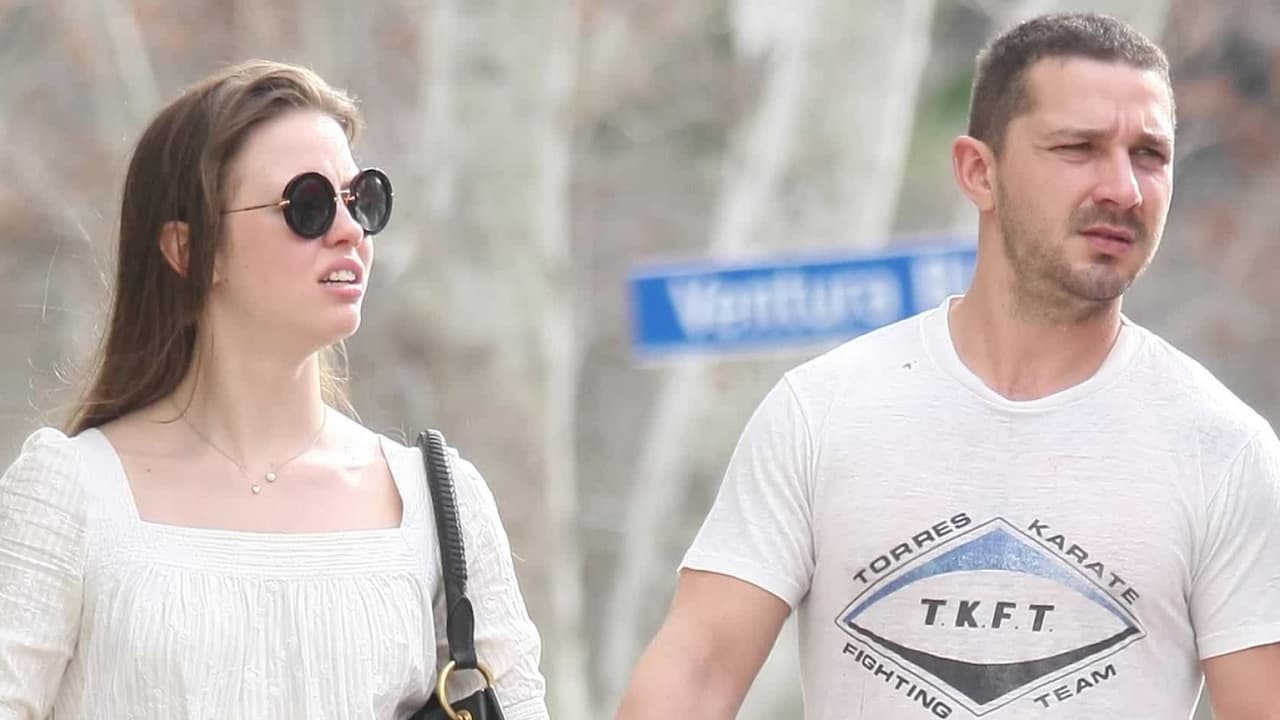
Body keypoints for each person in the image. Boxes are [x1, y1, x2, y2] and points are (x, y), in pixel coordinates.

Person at [616, 12, 1280, 720]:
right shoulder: (824, 409)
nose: (1124, 188)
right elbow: (697, 669)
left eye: (1149, 155)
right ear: (978, 172)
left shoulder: (1223, 450)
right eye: (1078, 148)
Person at [0, 60, 548, 719]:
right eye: (308, 206)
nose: (350, 231)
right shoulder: (72, 493)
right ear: (189, 250)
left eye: (362, 200)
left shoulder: (438, 505)